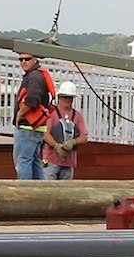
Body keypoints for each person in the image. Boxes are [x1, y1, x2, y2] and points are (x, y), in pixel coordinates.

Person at [11, 51, 56, 180]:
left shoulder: (34, 77)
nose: (23, 62)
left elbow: (32, 99)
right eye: (21, 60)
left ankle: (25, 192)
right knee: (35, 161)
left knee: (23, 161)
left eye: (27, 59)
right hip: (37, 128)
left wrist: (20, 114)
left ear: (35, 59)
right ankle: (39, 190)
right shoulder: (38, 75)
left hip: (27, 127)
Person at [41, 81, 87, 179]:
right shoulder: (52, 113)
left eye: (70, 97)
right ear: (59, 97)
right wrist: (56, 146)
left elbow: (84, 136)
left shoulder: (77, 116)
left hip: (69, 163)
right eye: (64, 97)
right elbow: (45, 133)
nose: (67, 100)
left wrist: (73, 142)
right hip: (51, 161)